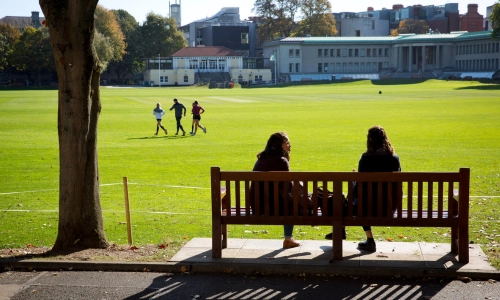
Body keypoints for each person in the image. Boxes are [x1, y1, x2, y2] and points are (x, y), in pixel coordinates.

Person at [325, 126, 401, 252]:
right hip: (389, 208)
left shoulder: (365, 159)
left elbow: (360, 188)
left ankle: (346, 232)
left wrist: (354, 180)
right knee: (362, 201)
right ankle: (355, 235)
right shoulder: (394, 158)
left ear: (370, 140)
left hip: (366, 207)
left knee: (344, 203)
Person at [251, 132, 299, 249]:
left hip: (257, 206)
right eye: (287, 143)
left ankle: (288, 239)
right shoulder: (282, 161)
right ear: (279, 145)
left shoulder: (261, 158)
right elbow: (289, 187)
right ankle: (288, 238)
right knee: (292, 203)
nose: (289, 146)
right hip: (273, 207)